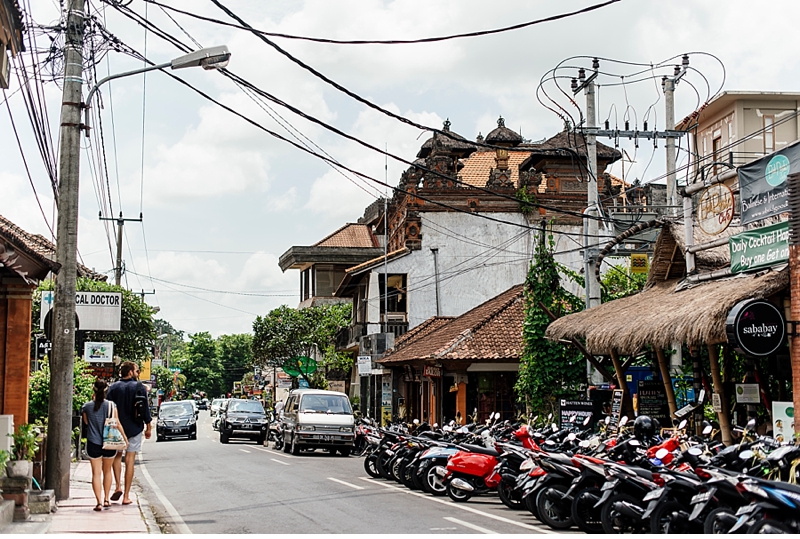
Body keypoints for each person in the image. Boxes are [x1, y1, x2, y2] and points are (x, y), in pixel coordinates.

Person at [107, 361, 152, 505]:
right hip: (134, 427)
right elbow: (144, 408)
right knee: (130, 459)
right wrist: (148, 426)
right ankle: (126, 496)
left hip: (116, 428)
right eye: (137, 371)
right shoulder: (139, 387)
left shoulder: (113, 388)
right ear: (131, 372)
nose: (138, 373)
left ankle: (118, 486)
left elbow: (107, 408)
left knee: (117, 456)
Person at [81, 379, 127, 512]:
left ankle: (98, 502)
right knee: (107, 471)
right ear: (106, 391)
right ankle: (107, 499)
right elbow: (117, 423)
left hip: (93, 443)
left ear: (93, 391)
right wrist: (124, 439)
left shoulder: (87, 406)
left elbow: (86, 423)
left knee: (96, 473)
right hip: (109, 443)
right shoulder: (112, 405)